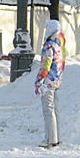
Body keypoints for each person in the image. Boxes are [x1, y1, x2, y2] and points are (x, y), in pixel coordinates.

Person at [33, 19, 65, 148]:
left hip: (48, 82)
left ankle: (50, 139)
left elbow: (45, 65)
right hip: (57, 81)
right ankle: (57, 136)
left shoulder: (49, 46)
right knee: (55, 110)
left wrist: (39, 81)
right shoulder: (59, 46)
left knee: (48, 110)